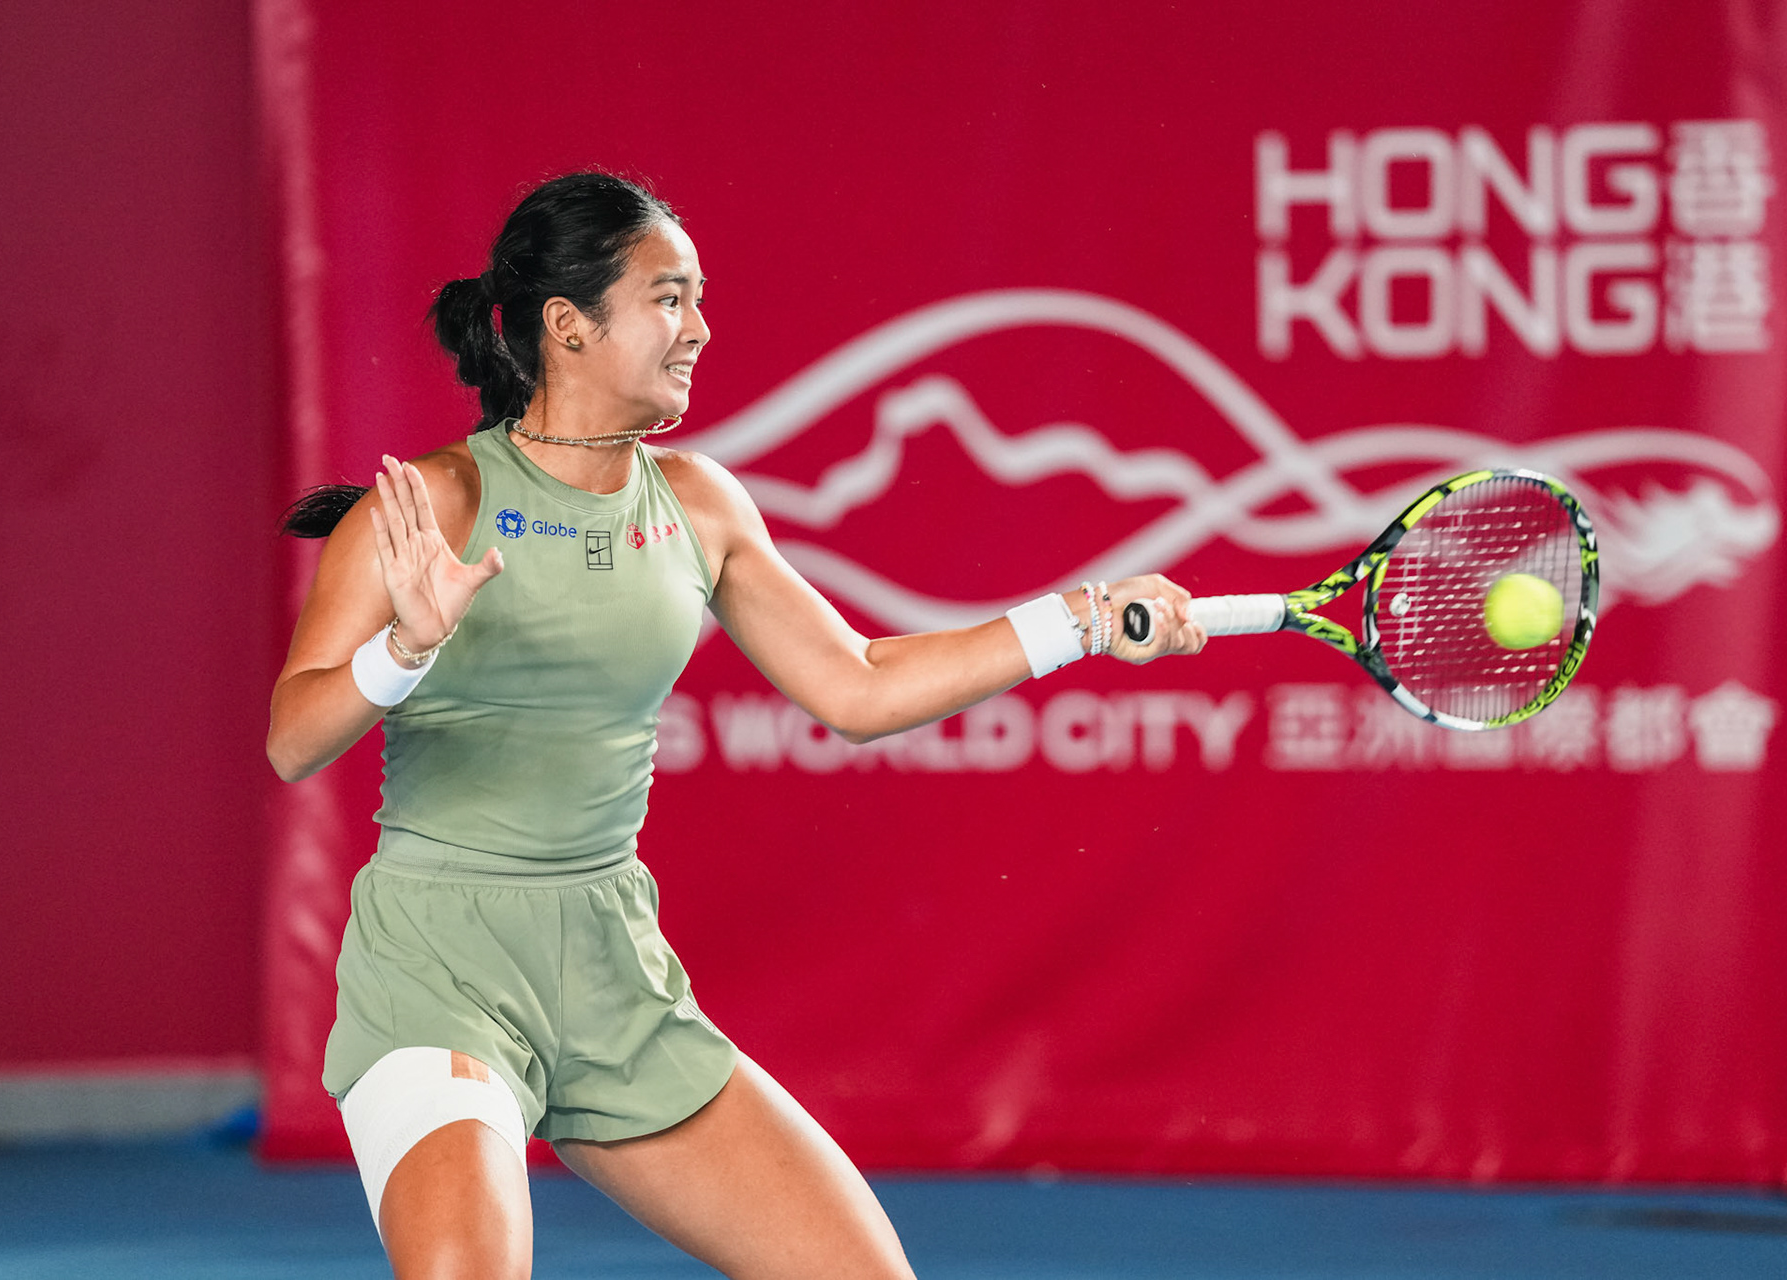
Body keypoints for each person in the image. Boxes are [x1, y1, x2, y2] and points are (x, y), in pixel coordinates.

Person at [268, 171, 1206, 1280]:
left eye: (699, 298)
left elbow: (859, 684)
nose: (700, 328)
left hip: (612, 966)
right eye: (668, 298)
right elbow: (293, 738)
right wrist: (405, 648)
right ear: (569, 325)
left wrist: (1081, 619)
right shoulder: (430, 504)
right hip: (441, 967)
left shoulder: (699, 503)